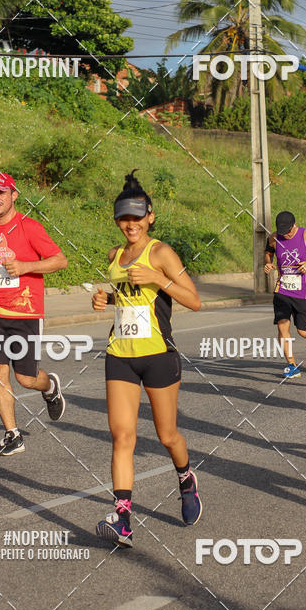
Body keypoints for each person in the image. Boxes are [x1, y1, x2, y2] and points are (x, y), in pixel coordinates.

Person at [92, 170, 201, 548]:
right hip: (119, 354)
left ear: (150, 217)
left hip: (158, 355)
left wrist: (158, 277)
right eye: (124, 218)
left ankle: (186, 478)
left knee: (167, 435)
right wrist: (105, 299)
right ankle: (123, 517)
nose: (130, 224)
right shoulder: (114, 256)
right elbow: (123, 299)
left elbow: (194, 300)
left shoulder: (161, 252)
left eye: (137, 217)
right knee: (122, 437)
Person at [0, 172, 68, 455]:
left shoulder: (29, 227)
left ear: (14, 196)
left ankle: (50, 387)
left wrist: (24, 267)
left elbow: (60, 261)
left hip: (26, 313)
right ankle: (13, 434)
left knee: (25, 378)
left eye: (2, 193)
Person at [264, 211, 306, 379]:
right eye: (282, 232)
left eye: (288, 231)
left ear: (294, 225)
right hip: (282, 290)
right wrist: (268, 264)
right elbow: (268, 252)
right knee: (282, 325)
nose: (286, 234)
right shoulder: (274, 237)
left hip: (302, 291)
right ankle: (291, 364)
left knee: (302, 331)